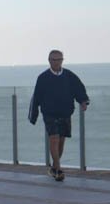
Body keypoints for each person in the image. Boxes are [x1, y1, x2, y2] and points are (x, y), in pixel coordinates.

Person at [28, 49, 90, 182]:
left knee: (61, 140)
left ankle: (54, 167)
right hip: (49, 113)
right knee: (54, 138)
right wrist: (33, 114)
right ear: (49, 61)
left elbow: (78, 89)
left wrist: (83, 101)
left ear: (62, 60)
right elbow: (36, 97)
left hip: (65, 112)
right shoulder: (43, 78)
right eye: (54, 60)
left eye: (59, 59)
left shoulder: (69, 76)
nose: (56, 62)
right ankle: (59, 168)